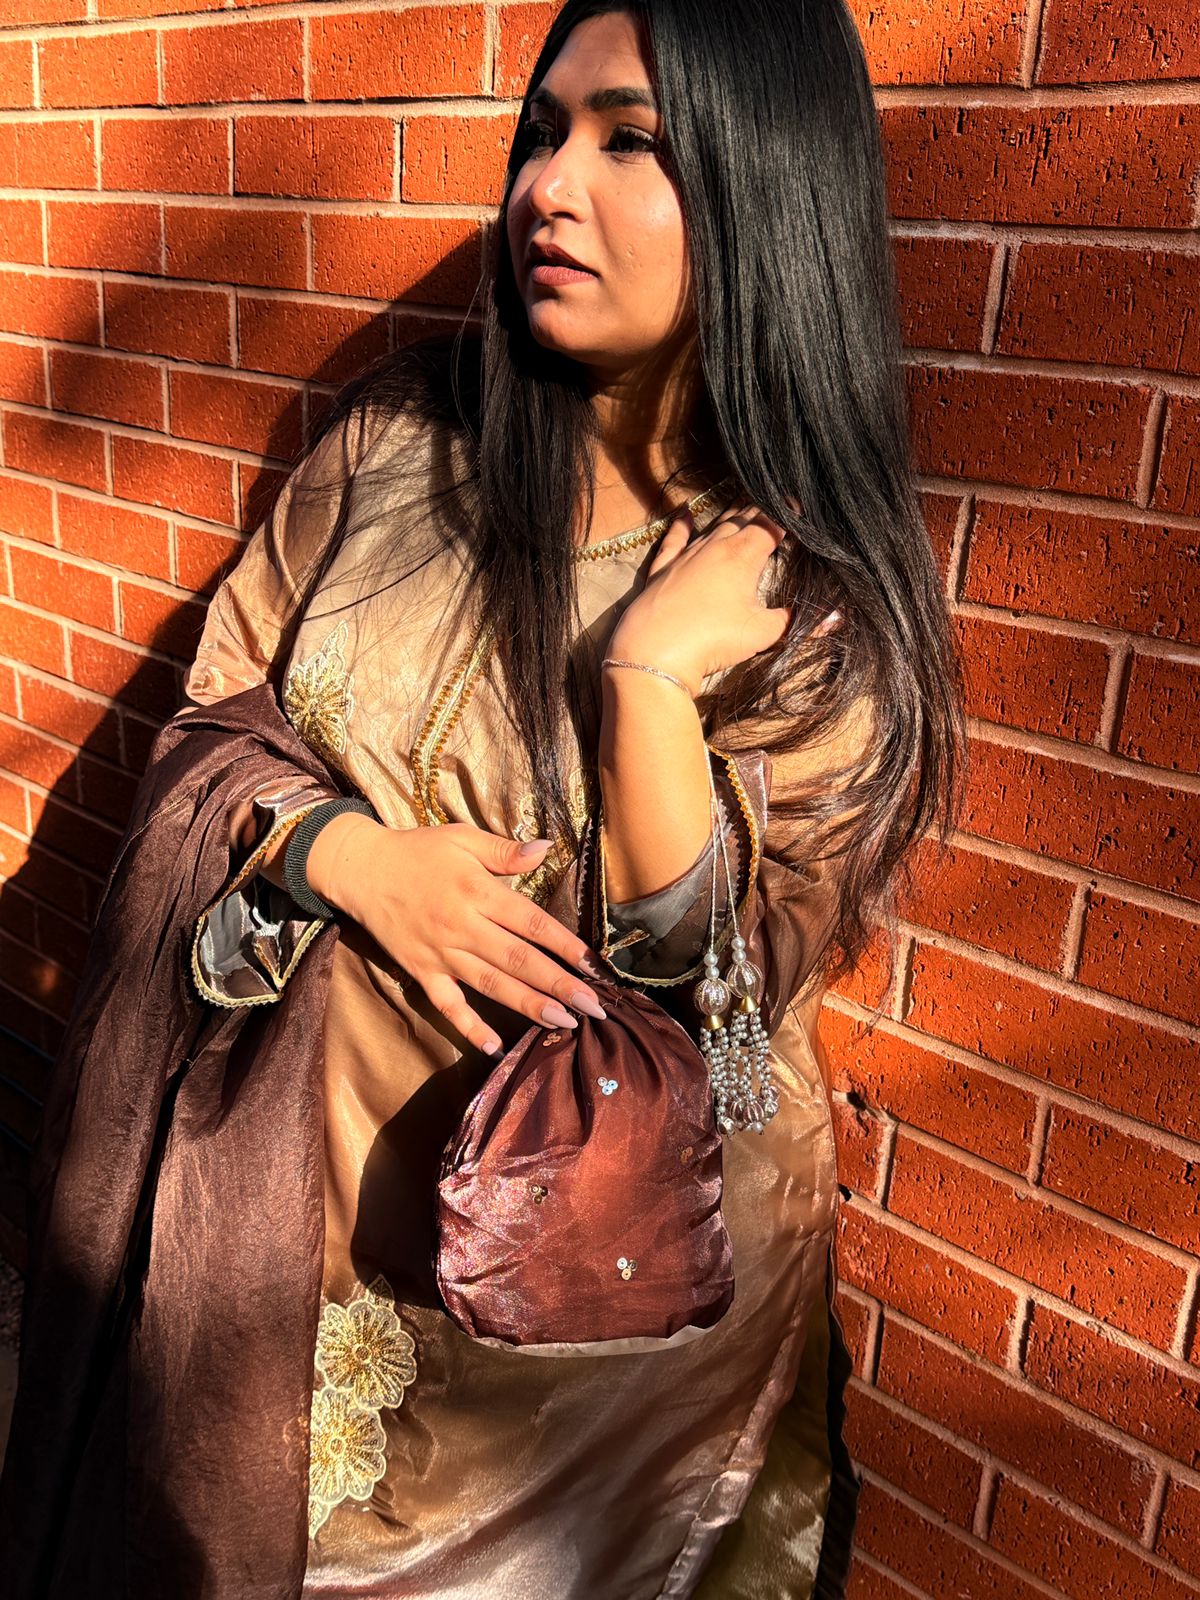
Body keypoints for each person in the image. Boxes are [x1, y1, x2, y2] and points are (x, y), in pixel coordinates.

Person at [0, 1, 965, 1595]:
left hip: (580, 1353)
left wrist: (648, 685)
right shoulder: (395, 448)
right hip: (283, 1232)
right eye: (541, 133)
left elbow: (713, 1008)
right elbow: (216, 716)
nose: (547, 189)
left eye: (631, 142)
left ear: (768, 191)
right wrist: (346, 858)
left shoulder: (796, 592)